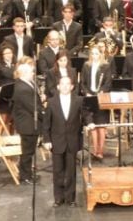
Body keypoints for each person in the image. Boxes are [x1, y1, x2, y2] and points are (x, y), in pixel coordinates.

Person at [42, 76, 94, 207]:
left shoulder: (78, 100)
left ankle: (71, 198)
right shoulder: (52, 102)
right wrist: (47, 140)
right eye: (62, 84)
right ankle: (58, 198)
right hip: (56, 141)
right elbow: (46, 123)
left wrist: (90, 122)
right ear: (58, 87)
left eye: (68, 84)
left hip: (72, 140)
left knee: (71, 171)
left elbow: (86, 114)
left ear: (72, 87)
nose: (65, 86)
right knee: (57, 171)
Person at [12, 58, 45, 185]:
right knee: (27, 151)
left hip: (29, 122)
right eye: (31, 72)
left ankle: (27, 173)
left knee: (29, 150)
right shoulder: (23, 88)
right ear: (24, 73)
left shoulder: (27, 83)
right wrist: (46, 115)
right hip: (27, 124)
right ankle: (25, 176)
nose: (33, 74)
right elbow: (33, 108)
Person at [80, 45, 112, 158]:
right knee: (92, 124)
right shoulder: (86, 65)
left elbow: (108, 82)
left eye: (96, 53)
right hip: (89, 97)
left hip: (101, 97)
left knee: (101, 125)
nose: (94, 56)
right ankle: (95, 149)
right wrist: (86, 92)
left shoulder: (106, 66)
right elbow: (82, 82)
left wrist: (102, 91)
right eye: (92, 53)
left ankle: (100, 151)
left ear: (101, 54)